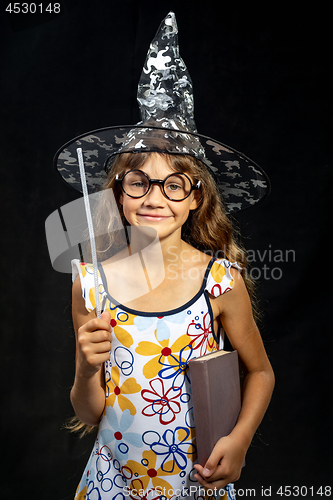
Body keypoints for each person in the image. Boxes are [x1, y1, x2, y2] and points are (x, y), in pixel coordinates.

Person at [54, 12, 274, 500]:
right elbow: (90, 412)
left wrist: (238, 441)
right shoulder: (90, 285)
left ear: (196, 197)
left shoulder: (220, 281)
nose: (156, 198)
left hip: (194, 482)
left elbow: (260, 371)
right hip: (111, 484)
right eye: (140, 182)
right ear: (118, 191)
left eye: (174, 185)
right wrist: (87, 369)